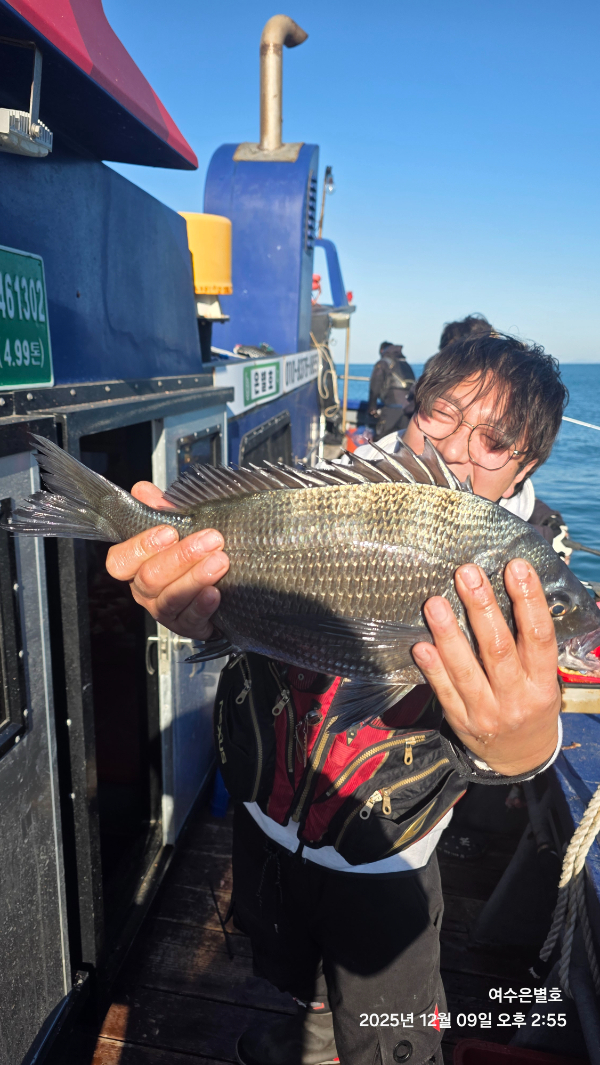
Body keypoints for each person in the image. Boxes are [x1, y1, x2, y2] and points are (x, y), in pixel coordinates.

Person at [105, 332, 567, 1065]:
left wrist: (525, 748)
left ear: (527, 463)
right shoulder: (324, 489)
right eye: (441, 414)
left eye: (494, 441)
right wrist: (200, 607)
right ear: (413, 405)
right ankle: (315, 1033)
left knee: (388, 1024)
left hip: (385, 857)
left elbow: (532, 711)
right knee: (290, 963)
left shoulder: (529, 566)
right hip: (264, 820)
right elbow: (243, 602)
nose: (454, 449)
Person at [368, 342, 416, 439]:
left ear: (382, 351)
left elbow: (375, 386)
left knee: (381, 441)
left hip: (391, 408)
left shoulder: (383, 363)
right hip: (408, 409)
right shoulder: (405, 364)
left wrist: (372, 406)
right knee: (403, 441)